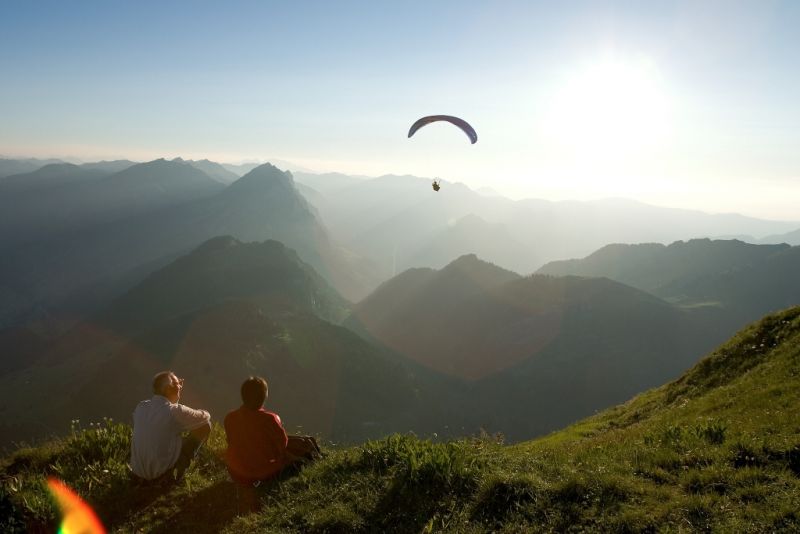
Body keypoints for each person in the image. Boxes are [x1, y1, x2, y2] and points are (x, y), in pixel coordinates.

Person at [224, 376, 320, 487]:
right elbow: (282, 444)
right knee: (304, 451)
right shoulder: (269, 419)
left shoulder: (230, 418)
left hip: (236, 473)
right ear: (264, 397)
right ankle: (318, 459)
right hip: (260, 474)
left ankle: (315, 454)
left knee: (304, 442)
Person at [130, 371, 211, 484]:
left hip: (138, 474)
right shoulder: (174, 411)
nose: (181, 385)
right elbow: (205, 417)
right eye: (178, 383)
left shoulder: (141, 407)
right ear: (168, 389)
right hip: (162, 475)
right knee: (206, 425)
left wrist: (176, 391)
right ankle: (183, 465)